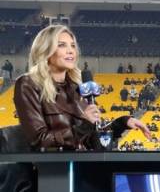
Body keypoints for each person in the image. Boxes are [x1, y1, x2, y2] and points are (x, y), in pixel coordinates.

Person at [13, 25, 150, 151]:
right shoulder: (28, 84)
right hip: (51, 171)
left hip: (82, 164)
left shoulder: (77, 88)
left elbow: (91, 140)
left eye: (73, 46)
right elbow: (39, 141)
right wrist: (84, 125)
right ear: (45, 50)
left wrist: (123, 122)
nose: (70, 51)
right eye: (62, 45)